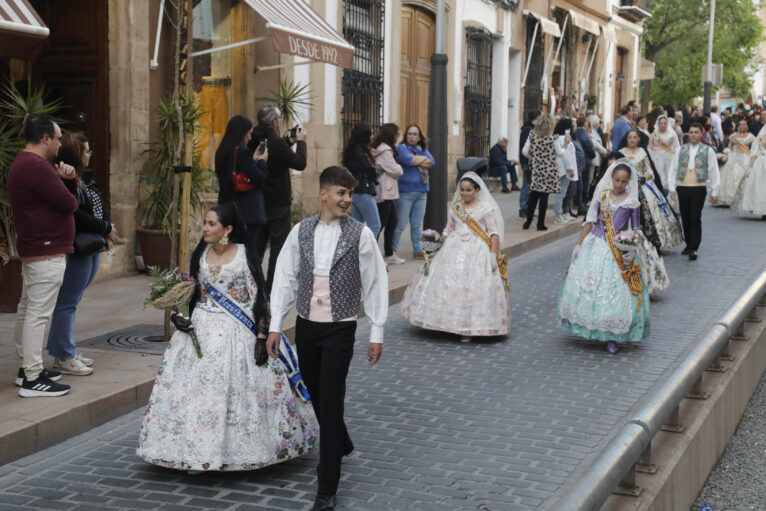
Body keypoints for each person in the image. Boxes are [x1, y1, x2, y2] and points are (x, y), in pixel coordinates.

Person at [137, 202, 319, 472]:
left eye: (212, 224)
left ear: (228, 229)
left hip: (238, 332)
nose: (205, 228)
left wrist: (260, 336)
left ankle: (244, 450)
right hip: (202, 329)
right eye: (205, 223)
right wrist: (178, 315)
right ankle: (191, 449)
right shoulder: (201, 254)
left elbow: (259, 297)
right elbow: (193, 293)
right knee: (196, 393)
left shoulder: (244, 255)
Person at [266, 166, 388, 511]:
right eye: (340, 193)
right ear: (323, 194)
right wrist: (276, 324)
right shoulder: (300, 231)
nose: (347, 199)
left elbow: (375, 282)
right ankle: (342, 440)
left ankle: (327, 487)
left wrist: (376, 331)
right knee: (314, 392)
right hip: (307, 325)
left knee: (331, 401)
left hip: (340, 328)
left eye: (350, 194)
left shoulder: (360, 234)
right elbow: (285, 277)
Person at [8, 115, 78, 397]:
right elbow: (69, 203)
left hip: (36, 248)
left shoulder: (22, 163)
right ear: (46, 138)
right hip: (45, 251)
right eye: (59, 138)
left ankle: (28, 369)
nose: (61, 144)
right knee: (37, 313)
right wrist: (70, 181)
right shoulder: (37, 166)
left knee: (28, 310)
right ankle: (32, 378)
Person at [400, 172, 510, 343]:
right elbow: (448, 230)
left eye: (468, 190)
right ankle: (445, 323)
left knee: (472, 288)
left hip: (477, 251)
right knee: (445, 285)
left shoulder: (486, 209)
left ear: (476, 190)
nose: (465, 193)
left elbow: (493, 233)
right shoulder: (456, 207)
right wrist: (435, 243)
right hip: (452, 247)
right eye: (462, 190)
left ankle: (468, 328)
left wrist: (492, 254)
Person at [558, 160, 650, 354]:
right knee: (594, 287)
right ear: (611, 178)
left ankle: (612, 335)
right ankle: (592, 327)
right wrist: (579, 243)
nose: (620, 184)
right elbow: (590, 221)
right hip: (597, 244)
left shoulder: (632, 201)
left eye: (624, 181)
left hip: (619, 249)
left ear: (629, 182)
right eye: (617, 180)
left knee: (615, 291)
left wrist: (632, 246)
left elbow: (636, 228)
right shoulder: (602, 197)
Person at [46, 132, 115, 376]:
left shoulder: (84, 181)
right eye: (86, 150)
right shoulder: (68, 183)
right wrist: (105, 228)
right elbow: (77, 215)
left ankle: (65, 350)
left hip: (92, 246)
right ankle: (63, 356)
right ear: (77, 154)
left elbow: (100, 209)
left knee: (71, 302)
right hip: (78, 248)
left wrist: (108, 228)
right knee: (68, 303)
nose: (90, 153)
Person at [249, 103, 307, 294]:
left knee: (257, 248)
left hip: (258, 201)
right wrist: (301, 141)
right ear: (274, 122)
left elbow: (274, 155)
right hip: (277, 204)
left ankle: (252, 285)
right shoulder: (275, 141)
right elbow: (300, 163)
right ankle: (270, 288)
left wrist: (288, 142)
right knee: (278, 248)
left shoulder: (253, 137)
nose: (280, 121)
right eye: (279, 119)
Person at [621, 129, 683, 250]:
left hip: (643, 187)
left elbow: (649, 171)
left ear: (638, 139)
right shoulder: (621, 153)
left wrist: (643, 178)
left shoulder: (643, 152)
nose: (632, 140)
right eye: (630, 137)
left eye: (634, 137)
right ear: (626, 139)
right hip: (625, 188)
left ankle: (651, 242)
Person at [668, 123, 721, 260]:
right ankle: (689, 243)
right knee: (685, 216)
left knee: (695, 216)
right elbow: (673, 169)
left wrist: (715, 191)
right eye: (691, 132)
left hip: (699, 186)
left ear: (701, 134)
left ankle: (694, 247)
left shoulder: (708, 150)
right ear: (687, 134)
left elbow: (713, 170)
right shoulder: (681, 150)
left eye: (696, 132)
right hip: (683, 186)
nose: (693, 135)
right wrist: (672, 188)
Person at [215, 115, 268, 243]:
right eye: (249, 134)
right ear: (241, 133)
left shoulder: (222, 151)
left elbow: (236, 174)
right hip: (245, 213)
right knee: (245, 255)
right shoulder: (241, 152)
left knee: (228, 251)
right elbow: (260, 179)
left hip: (225, 210)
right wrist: (261, 161)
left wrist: (253, 160)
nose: (250, 138)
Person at [392, 124, 434, 260]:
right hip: (405, 192)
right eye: (409, 133)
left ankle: (417, 250)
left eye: (415, 134)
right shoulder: (401, 148)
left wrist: (417, 160)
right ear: (406, 136)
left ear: (419, 137)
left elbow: (432, 162)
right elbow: (409, 161)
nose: (412, 136)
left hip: (421, 192)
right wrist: (421, 160)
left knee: (417, 224)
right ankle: (392, 251)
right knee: (400, 223)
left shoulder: (422, 149)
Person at [371, 123, 404, 263]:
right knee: (381, 223)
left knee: (392, 221)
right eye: (397, 133)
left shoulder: (379, 148)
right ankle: (371, 254)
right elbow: (397, 170)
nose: (398, 136)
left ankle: (389, 253)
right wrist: (399, 168)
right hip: (385, 191)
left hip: (385, 190)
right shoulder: (385, 151)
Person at [342, 123, 381, 238]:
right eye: (371, 133)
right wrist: (376, 170)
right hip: (363, 191)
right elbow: (370, 170)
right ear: (365, 136)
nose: (373, 136)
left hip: (355, 191)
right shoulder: (360, 152)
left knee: (356, 227)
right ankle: (367, 252)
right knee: (375, 225)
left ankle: (354, 252)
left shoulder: (352, 150)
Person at [521, 114, 559, 231]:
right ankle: (540, 224)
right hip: (549, 171)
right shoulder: (553, 138)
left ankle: (528, 221)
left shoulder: (532, 135)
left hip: (536, 170)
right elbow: (559, 153)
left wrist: (534, 157)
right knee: (544, 197)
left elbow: (525, 151)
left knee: (533, 196)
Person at [718, 119, 755, 206]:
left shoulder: (751, 136)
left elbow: (752, 149)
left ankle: (742, 199)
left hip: (745, 157)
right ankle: (728, 199)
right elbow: (730, 147)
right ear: (738, 126)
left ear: (747, 126)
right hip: (733, 157)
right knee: (729, 176)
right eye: (740, 124)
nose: (742, 126)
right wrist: (725, 155)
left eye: (744, 124)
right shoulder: (733, 136)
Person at [731, 125, 766, 218]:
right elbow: (754, 152)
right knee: (760, 187)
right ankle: (762, 209)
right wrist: (750, 166)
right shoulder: (761, 137)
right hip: (762, 162)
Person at [552, 118, 577, 224]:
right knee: (561, 193)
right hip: (565, 169)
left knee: (562, 192)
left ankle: (560, 213)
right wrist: (570, 168)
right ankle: (558, 214)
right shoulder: (563, 139)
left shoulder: (561, 138)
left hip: (564, 168)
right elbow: (566, 155)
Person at [648, 115, 681, 189]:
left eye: (664, 123)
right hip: (655, 158)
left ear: (667, 124)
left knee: (668, 177)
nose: (663, 125)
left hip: (668, 158)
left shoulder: (672, 134)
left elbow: (677, 147)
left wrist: (677, 156)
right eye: (661, 123)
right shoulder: (654, 134)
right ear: (658, 124)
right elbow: (649, 147)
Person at [518, 111, 541, 218]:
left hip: (530, 161)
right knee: (527, 185)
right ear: (536, 118)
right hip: (528, 161)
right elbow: (526, 148)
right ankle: (523, 208)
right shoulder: (528, 129)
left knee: (530, 186)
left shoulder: (530, 128)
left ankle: (527, 208)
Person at [574, 115, 596, 213]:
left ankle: (579, 201)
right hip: (585, 160)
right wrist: (593, 155)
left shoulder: (576, 132)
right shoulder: (583, 133)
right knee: (584, 182)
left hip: (580, 160)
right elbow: (588, 145)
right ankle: (582, 201)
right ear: (584, 124)